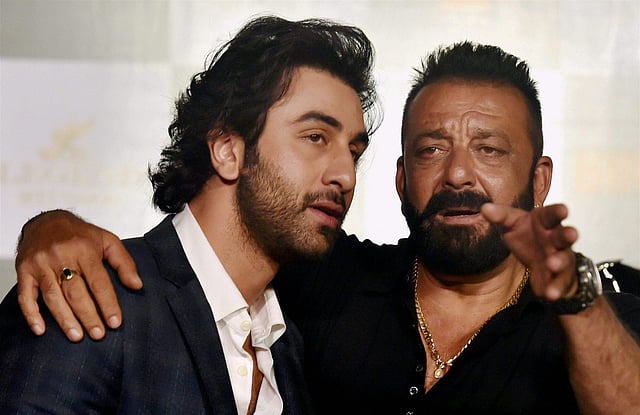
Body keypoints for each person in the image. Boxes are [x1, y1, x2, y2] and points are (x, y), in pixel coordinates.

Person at [8, 42, 640, 414]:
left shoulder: (607, 321)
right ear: (401, 180)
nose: (457, 174)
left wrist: (577, 299)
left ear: (540, 178)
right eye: (429, 149)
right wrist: (49, 225)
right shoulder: (317, 285)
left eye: (490, 150)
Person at [0, 15, 380, 414]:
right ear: (227, 151)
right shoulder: (88, 296)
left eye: (354, 152)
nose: (346, 175)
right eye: (316, 137)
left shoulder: (289, 348)